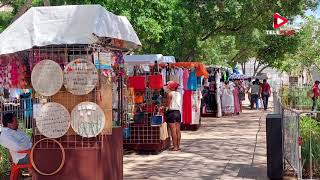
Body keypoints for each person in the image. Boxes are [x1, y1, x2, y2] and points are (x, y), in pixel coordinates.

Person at [164, 81, 182, 151]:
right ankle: (178, 146)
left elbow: (168, 104)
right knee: (178, 130)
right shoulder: (178, 94)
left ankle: (175, 147)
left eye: (168, 86)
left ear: (171, 87)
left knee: (173, 131)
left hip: (171, 113)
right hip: (178, 112)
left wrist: (163, 106)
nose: (167, 87)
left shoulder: (169, 94)